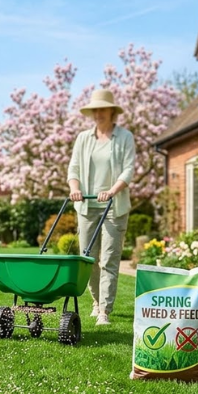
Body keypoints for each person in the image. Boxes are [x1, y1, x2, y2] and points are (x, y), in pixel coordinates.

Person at [67, 89, 134, 326]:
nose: (98, 113)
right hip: (87, 206)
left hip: (113, 207)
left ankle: (105, 309)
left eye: (102, 109)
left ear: (112, 111)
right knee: (89, 259)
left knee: (109, 259)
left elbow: (128, 169)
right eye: (95, 110)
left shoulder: (124, 137)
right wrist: (75, 188)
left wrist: (112, 190)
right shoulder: (84, 138)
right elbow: (73, 169)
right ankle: (96, 301)